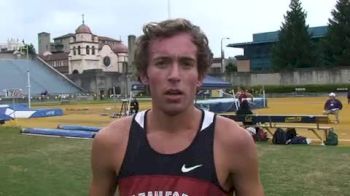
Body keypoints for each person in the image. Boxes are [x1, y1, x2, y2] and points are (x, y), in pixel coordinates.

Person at [89, 18, 264, 196]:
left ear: (200, 76)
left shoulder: (234, 142)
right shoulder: (110, 141)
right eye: (162, 63)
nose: (174, 75)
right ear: (144, 74)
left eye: (186, 64)